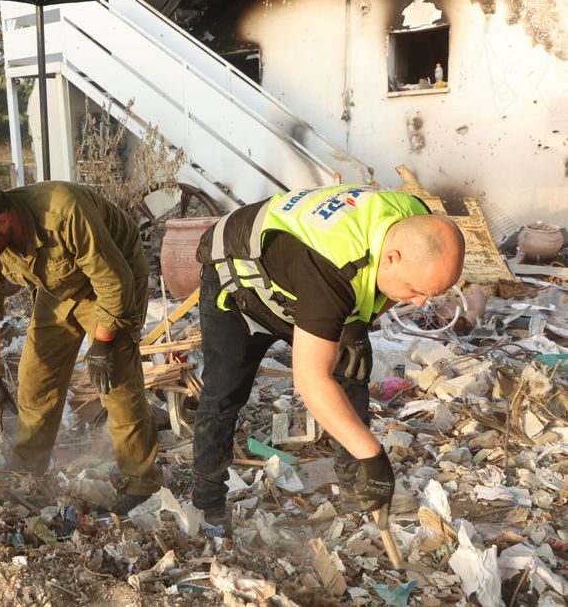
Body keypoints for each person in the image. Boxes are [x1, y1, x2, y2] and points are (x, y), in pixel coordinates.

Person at [191, 184, 465, 531]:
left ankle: (357, 493)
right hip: (238, 279)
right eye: (415, 290)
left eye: (431, 293)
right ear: (392, 257)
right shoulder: (330, 268)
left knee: (352, 370)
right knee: (225, 391)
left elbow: (375, 291)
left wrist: (359, 322)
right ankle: (207, 502)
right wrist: (374, 455)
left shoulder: (415, 219)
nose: (421, 303)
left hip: (300, 280)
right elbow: (309, 379)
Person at [0, 173, 162, 514]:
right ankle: (29, 471)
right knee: (35, 378)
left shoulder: (63, 211)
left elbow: (114, 281)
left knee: (117, 384)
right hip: (61, 288)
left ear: (2, 221)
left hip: (115, 280)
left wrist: (102, 346)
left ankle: (143, 484)